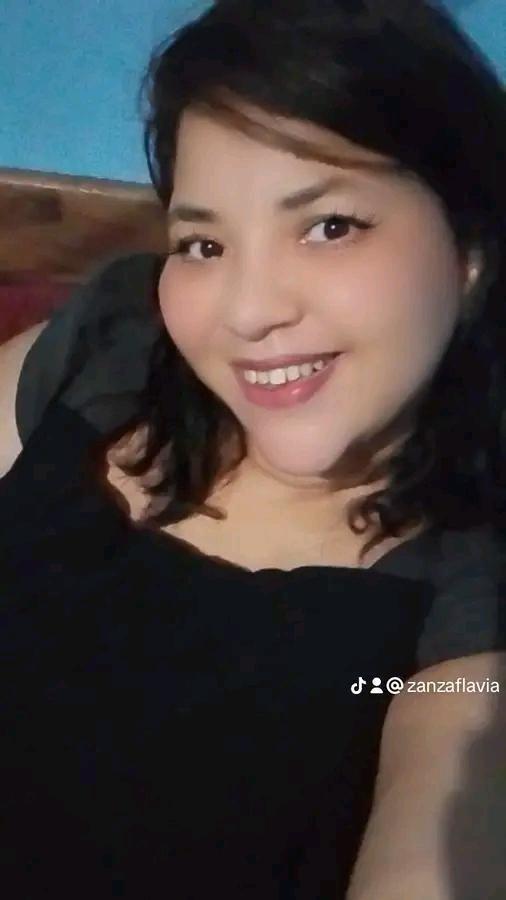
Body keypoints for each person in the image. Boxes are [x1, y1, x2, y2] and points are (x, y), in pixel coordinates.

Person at [1, 0, 505, 897]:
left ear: (468, 249)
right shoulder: (116, 345)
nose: (246, 310)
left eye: (329, 226)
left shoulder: (471, 597)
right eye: (203, 243)